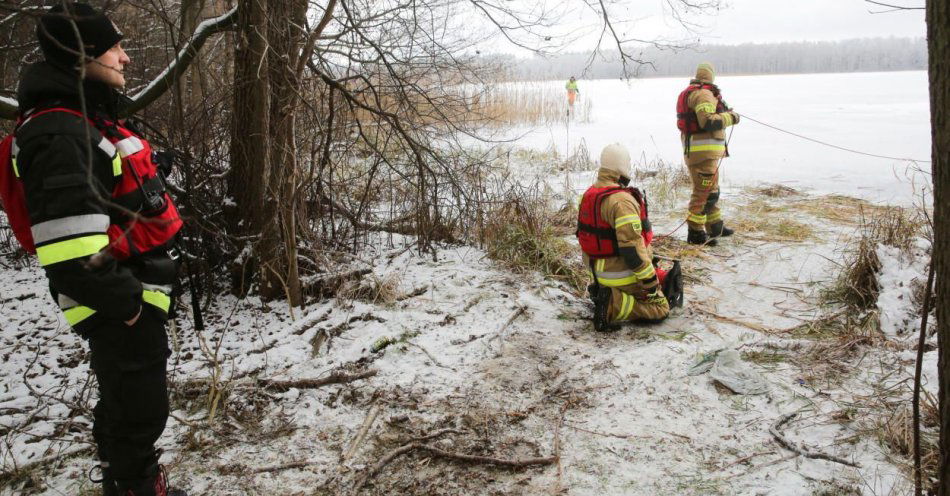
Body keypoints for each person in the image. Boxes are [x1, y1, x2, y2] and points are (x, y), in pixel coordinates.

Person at [12, 3, 186, 495]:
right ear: (82, 54)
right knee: (138, 407)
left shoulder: (80, 118)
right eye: (114, 47)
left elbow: (104, 193)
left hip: (129, 290)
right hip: (117, 300)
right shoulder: (61, 131)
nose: (125, 58)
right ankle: (134, 488)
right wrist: (128, 305)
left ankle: (126, 480)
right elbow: (70, 254)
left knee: (130, 400)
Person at [576, 144, 681, 332]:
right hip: (621, 276)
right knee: (661, 309)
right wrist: (651, 284)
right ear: (622, 166)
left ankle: (607, 295)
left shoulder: (589, 195)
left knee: (654, 276)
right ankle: (612, 305)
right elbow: (632, 251)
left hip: (598, 276)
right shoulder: (622, 201)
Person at [676, 62, 740, 246]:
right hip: (701, 154)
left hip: (703, 153)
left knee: (711, 190)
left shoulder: (698, 92)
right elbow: (708, 122)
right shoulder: (703, 94)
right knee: (704, 193)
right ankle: (695, 233)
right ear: (710, 76)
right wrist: (731, 118)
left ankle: (715, 226)